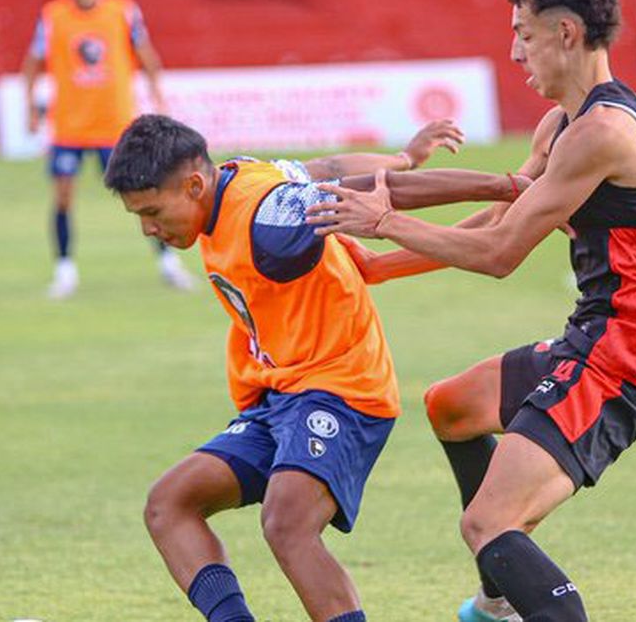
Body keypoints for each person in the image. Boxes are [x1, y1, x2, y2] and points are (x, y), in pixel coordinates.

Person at [308, 0, 636, 621]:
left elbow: (497, 254)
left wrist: (384, 221)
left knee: (487, 524)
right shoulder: (563, 125)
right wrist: (377, 266)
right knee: (451, 407)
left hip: (623, 359)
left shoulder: (603, 134)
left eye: (524, 34)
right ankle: (499, 600)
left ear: (567, 34)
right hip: (594, 337)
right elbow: (499, 215)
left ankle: (508, 594)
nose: (514, 52)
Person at [103, 114, 529, 622]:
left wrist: (505, 186)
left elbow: (382, 192)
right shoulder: (240, 179)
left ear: (195, 184)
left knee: (287, 523)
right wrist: (404, 155)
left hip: (342, 391)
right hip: (280, 397)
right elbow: (325, 166)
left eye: (152, 211)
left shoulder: (268, 216)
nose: (148, 229)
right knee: (169, 504)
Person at [21, 0, 193, 299]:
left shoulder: (123, 11)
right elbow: (32, 63)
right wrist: (31, 107)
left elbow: (147, 56)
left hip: (115, 125)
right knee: (63, 197)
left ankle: (169, 263)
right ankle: (65, 270)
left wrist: (159, 96)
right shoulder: (53, 16)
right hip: (69, 126)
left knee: (143, 195)